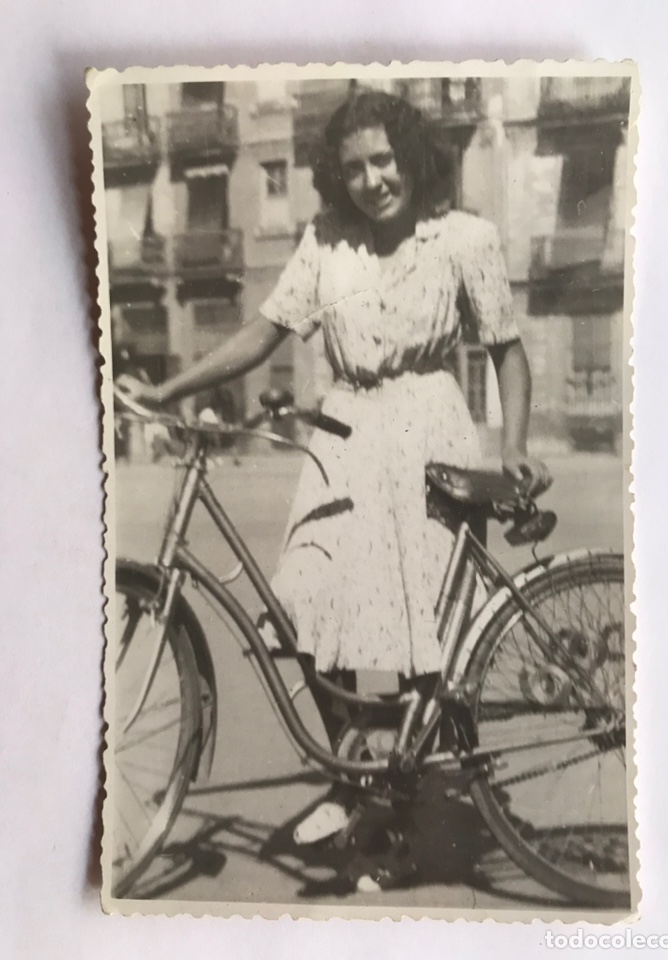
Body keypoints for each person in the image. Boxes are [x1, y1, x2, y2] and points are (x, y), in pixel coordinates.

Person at [120, 89, 550, 887]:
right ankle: (356, 777)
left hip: (429, 437)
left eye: (384, 160)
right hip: (343, 442)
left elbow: (508, 351)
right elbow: (265, 331)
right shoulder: (325, 242)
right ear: (336, 175)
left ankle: (395, 821)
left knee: (423, 641)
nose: (372, 180)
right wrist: (172, 388)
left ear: (410, 158)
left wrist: (515, 445)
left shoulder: (465, 239)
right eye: (353, 167)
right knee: (305, 608)